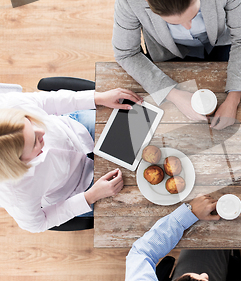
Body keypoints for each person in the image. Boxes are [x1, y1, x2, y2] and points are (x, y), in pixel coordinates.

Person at [112, 0, 241, 130]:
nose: (187, 27)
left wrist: (233, 99)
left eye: (193, 16)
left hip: (220, 40)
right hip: (169, 51)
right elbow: (126, 53)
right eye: (173, 23)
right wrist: (173, 94)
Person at [0, 88, 142, 233]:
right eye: (35, 142)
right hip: (78, 189)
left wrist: (98, 98)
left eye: (31, 122)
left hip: (77, 130)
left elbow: (49, 101)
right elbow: (37, 224)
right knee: (136, 200)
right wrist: (90, 196)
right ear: (19, 163)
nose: (42, 132)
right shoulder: (15, 193)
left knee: (141, 125)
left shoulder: (11, 104)